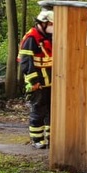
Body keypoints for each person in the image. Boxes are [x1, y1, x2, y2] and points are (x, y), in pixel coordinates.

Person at [18, 9, 54, 149]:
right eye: (51, 24)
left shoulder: (48, 37)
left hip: (50, 82)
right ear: (43, 23)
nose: (53, 27)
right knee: (38, 110)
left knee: (51, 112)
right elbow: (26, 62)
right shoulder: (31, 38)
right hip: (37, 84)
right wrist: (34, 82)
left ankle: (51, 137)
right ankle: (37, 139)